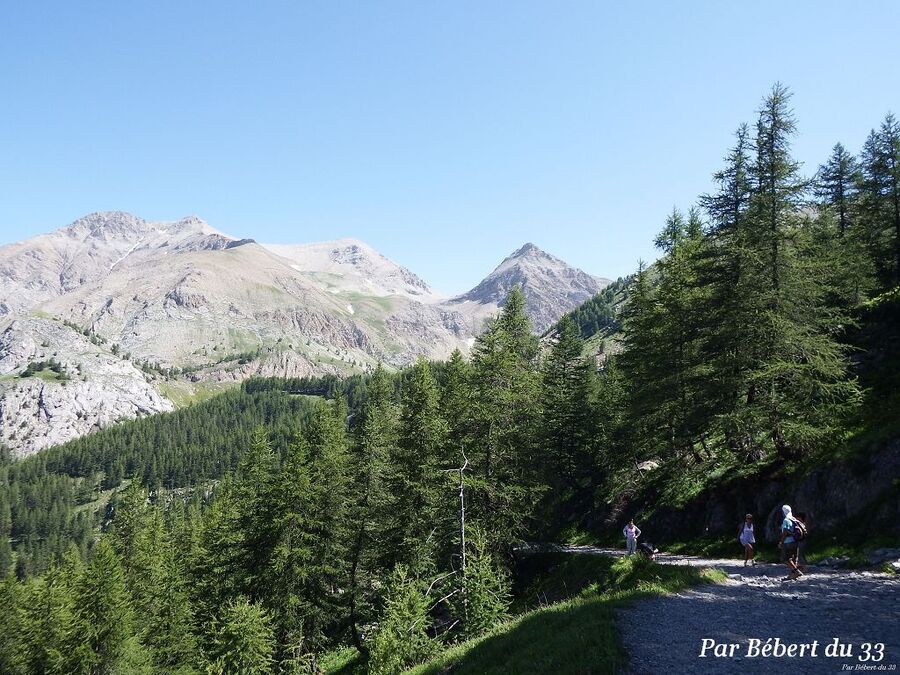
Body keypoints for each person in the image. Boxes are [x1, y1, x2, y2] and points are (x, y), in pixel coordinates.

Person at [778, 504, 803, 580]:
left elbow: (785, 532)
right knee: (793, 559)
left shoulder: (786, 520)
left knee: (785, 559)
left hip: (787, 542)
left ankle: (796, 571)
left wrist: (781, 542)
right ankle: (792, 575)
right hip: (795, 541)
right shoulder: (794, 519)